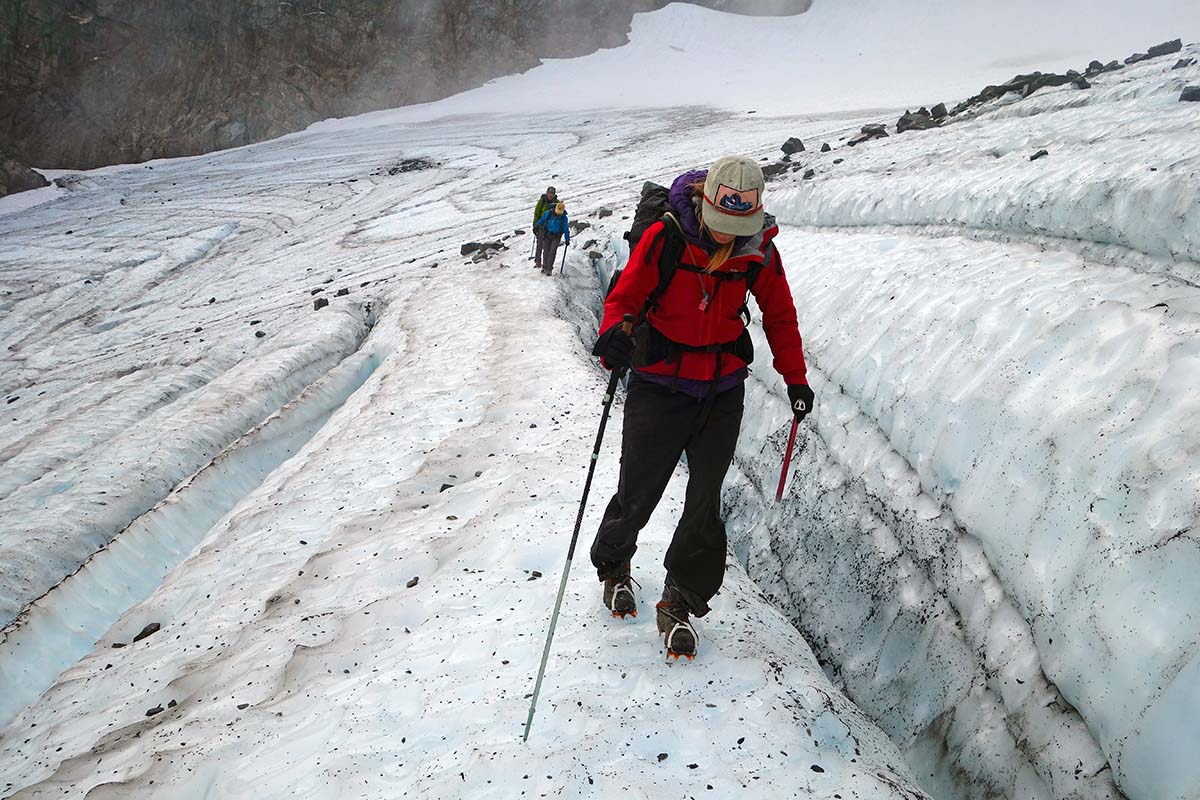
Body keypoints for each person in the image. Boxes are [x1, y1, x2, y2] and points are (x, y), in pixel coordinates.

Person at [589, 155, 813, 659]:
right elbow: (626, 298)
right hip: (659, 384)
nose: (728, 237)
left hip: (721, 388)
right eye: (722, 226)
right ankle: (614, 567)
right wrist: (613, 336)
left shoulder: (758, 249)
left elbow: (780, 313)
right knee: (638, 488)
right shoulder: (666, 237)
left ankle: (680, 601)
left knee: (705, 498)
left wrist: (795, 379)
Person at [533, 201, 570, 275]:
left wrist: (567, 239)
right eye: (558, 211)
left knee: (552, 251)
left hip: (556, 236)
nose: (558, 213)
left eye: (560, 212)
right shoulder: (549, 213)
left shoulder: (563, 218)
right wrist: (536, 226)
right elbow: (542, 220)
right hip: (548, 234)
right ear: (555, 208)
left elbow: (566, 229)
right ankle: (544, 267)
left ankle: (549, 269)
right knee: (546, 251)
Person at [532, 186, 558, 265]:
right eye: (549, 193)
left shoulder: (557, 202)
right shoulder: (542, 201)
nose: (550, 195)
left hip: (550, 228)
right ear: (547, 193)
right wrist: (535, 225)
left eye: (552, 194)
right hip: (541, 226)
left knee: (546, 246)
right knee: (539, 244)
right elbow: (537, 213)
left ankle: (545, 263)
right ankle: (538, 261)